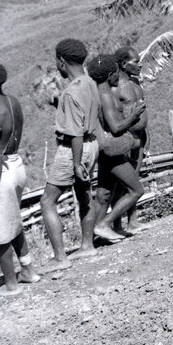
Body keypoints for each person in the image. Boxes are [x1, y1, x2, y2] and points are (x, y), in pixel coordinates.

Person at [39, 39, 102, 268]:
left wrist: (75, 163)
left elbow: (74, 132)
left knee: (47, 201)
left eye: (57, 62)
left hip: (74, 148)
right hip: (92, 143)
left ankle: (60, 258)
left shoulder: (71, 91)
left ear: (62, 61)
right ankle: (87, 246)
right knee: (84, 193)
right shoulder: (91, 83)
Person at [87, 54, 147, 243]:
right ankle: (103, 225)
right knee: (136, 190)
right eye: (114, 73)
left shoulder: (99, 93)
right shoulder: (105, 96)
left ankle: (92, 240)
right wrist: (134, 115)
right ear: (110, 74)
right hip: (114, 151)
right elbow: (115, 127)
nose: (116, 77)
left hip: (107, 150)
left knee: (103, 195)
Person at [0, 62, 39, 293]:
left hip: (1, 172)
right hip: (17, 165)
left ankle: (11, 284)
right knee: (14, 221)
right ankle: (28, 270)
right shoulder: (13, 102)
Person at [110, 46, 149, 234]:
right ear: (124, 64)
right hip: (125, 139)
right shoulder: (115, 88)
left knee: (134, 179)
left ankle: (133, 221)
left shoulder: (135, 84)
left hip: (140, 139)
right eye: (136, 61)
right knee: (121, 184)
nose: (140, 64)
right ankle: (116, 225)